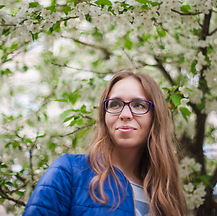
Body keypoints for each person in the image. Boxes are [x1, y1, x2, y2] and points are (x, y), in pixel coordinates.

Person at [22, 71, 187, 216]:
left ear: (155, 117)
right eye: (115, 104)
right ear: (104, 116)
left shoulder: (166, 194)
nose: (125, 114)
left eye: (138, 105)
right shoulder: (69, 172)